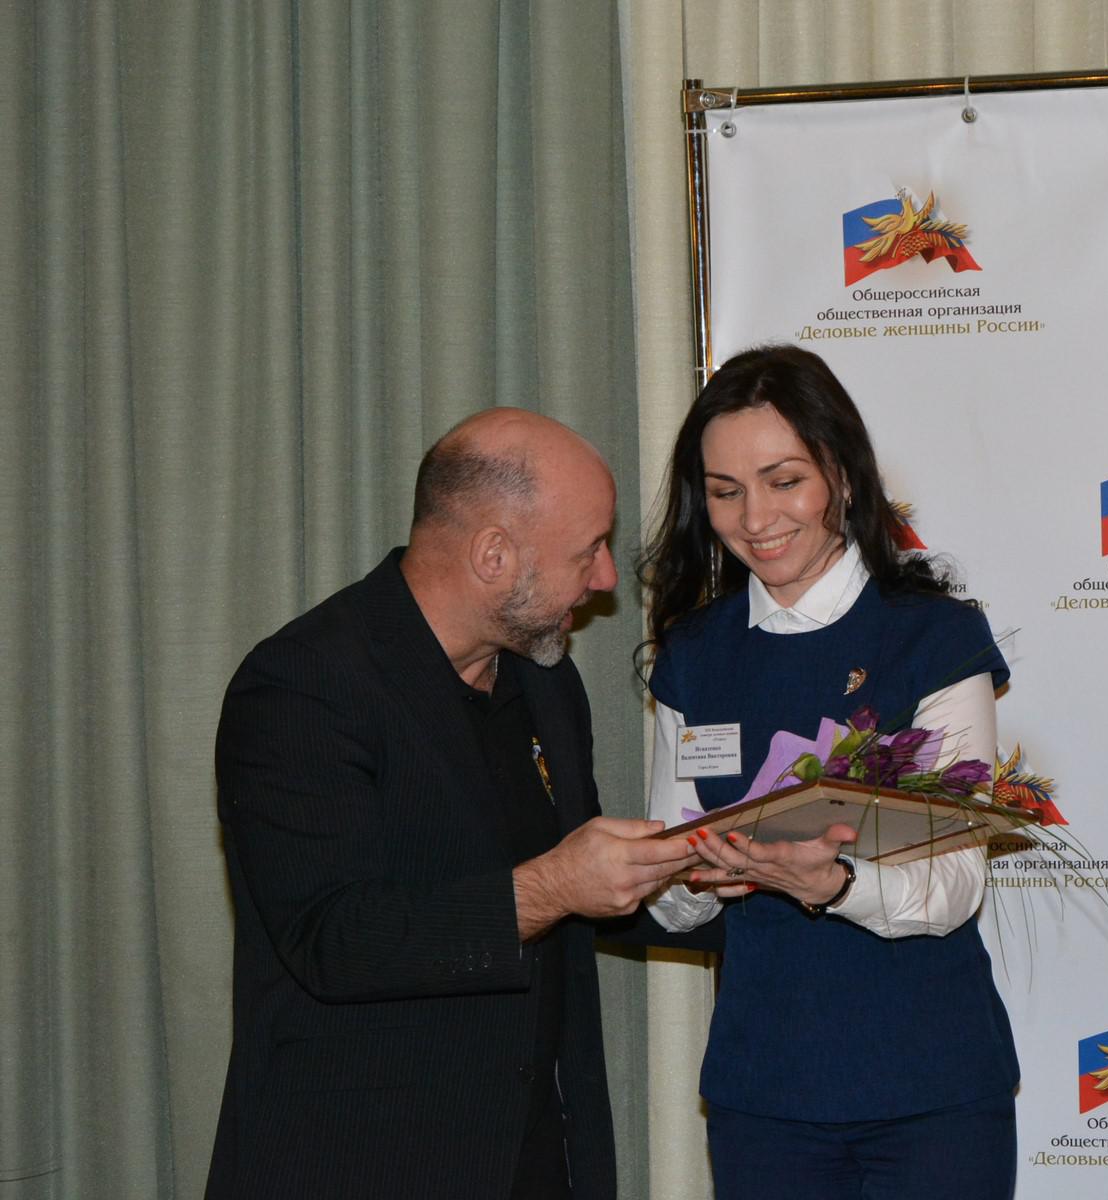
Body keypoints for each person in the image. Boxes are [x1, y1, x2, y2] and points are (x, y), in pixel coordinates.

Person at [207, 408, 700, 1200]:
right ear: (493, 555)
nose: (606, 578)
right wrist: (554, 886)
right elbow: (335, 939)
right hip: (364, 1163)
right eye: (588, 549)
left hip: (532, 1161)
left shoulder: (544, 681)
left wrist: (710, 872)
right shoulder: (303, 686)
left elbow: (585, 893)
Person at [640, 344, 1020, 1199]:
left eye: (783, 481)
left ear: (841, 477)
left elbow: (953, 884)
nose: (755, 518)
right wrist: (695, 875)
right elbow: (670, 892)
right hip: (762, 1087)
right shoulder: (693, 657)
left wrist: (834, 884)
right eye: (725, 491)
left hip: (930, 1084)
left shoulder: (932, 637)